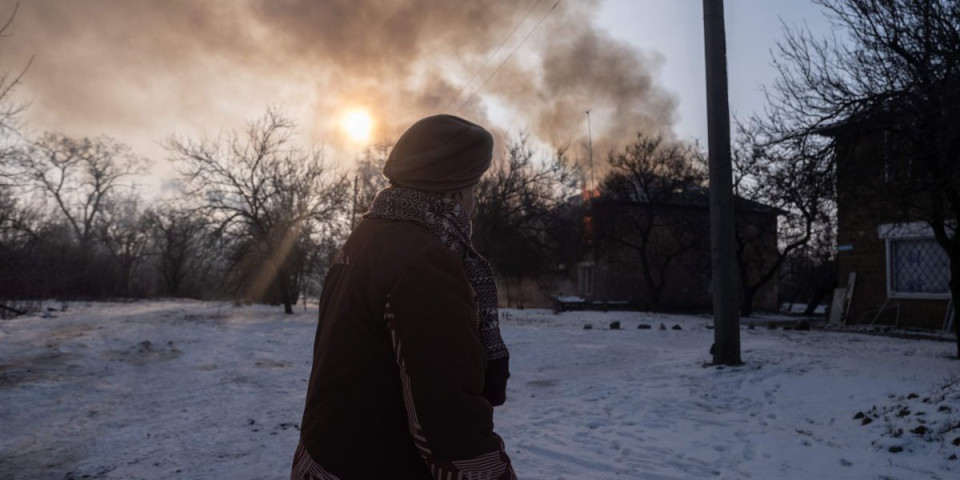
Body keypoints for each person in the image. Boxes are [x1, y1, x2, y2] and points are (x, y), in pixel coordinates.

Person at [291, 114, 515, 480]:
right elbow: (447, 420)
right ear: (454, 191)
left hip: (325, 459)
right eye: (473, 189)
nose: (474, 203)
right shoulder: (426, 262)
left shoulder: (366, 237)